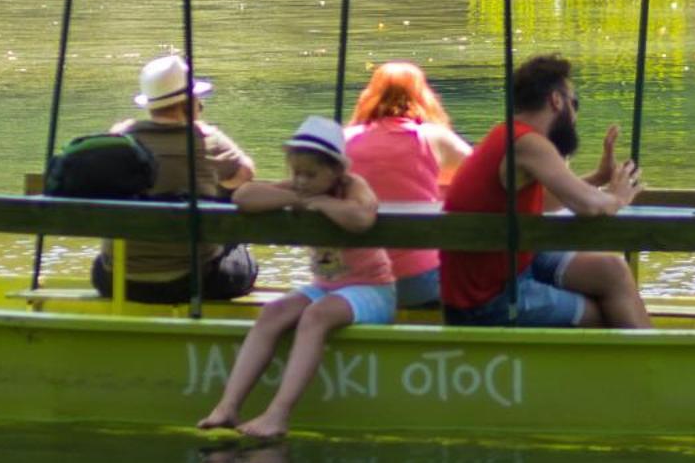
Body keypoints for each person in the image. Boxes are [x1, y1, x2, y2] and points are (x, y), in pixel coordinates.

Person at [197, 116, 392, 439]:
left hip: (370, 288)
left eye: (311, 174)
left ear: (336, 171)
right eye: (295, 172)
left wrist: (325, 203)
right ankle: (227, 407)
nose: (301, 180)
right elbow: (243, 196)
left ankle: (278, 414)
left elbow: (362, 218)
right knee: (273, 312)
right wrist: (296, 198)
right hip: (326, 287)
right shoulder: (302, 188)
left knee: (316, 316)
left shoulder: (352, 186)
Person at [439, 53, 650, 329]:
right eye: (575, 104)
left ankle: (654, 358)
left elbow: (548, 201)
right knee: (606, 314)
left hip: (511, 267)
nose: (574, 117)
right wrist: (618, 197)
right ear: (556, 100)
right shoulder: (527, 143)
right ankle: (653, 367)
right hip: (487, 299)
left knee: (613, 271)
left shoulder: (508, 135)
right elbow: (588, 206)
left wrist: (599, 179)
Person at [95, 53, 258, 304]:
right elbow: (245, 173)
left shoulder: (119, 139)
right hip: (193, 282)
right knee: (239, 248)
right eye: (198, 101)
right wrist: (214, 183)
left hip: (116, 281)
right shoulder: (206, 139)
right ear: (188, 104)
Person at [345, 61, 472, 309]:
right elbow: (482, 176)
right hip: (418, 284)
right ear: (423, 96)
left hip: (353, 280)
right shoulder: (433, 137)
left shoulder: (342, 140)